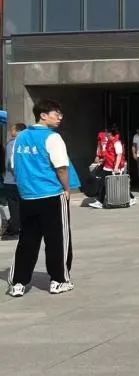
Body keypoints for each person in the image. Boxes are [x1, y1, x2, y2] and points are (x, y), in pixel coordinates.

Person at [7, 100, 75, 297]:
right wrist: (67, 188)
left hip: (28, 196)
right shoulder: (53, 137)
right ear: (43, 115)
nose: (60, 117)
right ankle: (59, 280)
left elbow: (14, 165)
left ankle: (18, 283)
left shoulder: (20, 137)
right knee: (57, 239)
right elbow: (61, 168)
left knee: (27, 240)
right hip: (51, 195)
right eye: (56, 114)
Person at [1, 123, 26, 239]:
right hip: (23, 181)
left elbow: (11, 163)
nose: (11, 132)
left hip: (12, 181)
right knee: (22, 206)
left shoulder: (13, 143)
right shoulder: (26, 142)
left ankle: (15, 230)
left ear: (18, 131)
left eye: (12, 129)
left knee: (14, 207)